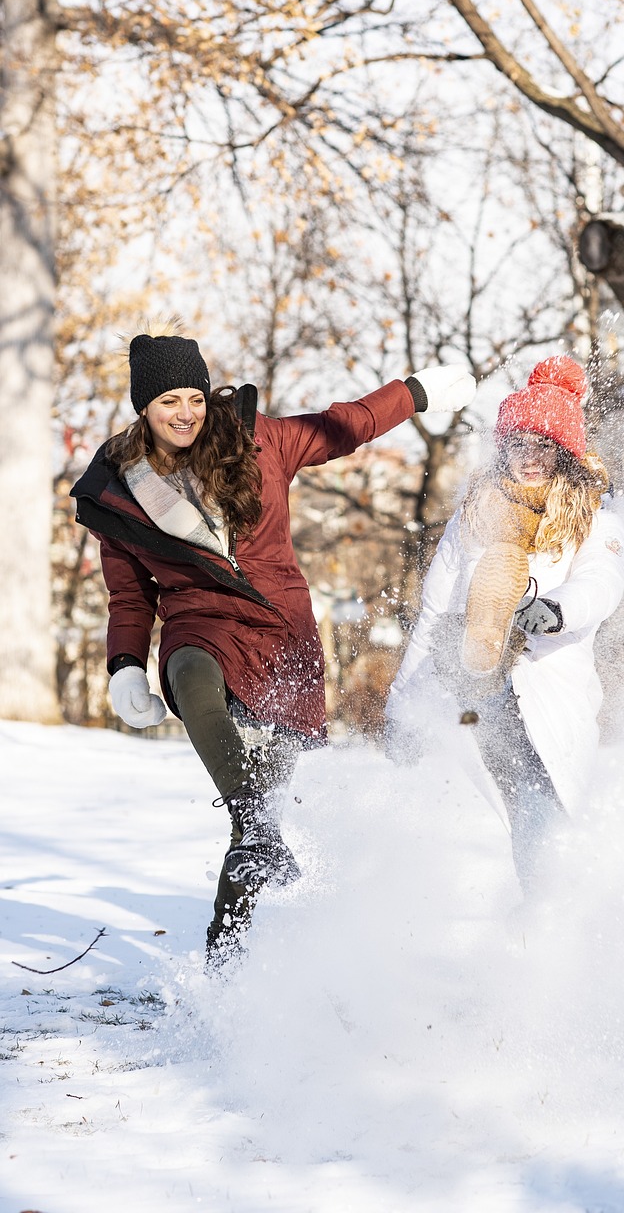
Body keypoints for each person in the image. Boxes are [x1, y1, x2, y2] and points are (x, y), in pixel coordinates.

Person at [70, 320, 476, 963]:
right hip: (199, 621)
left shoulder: (261, 442)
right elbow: (130, 596)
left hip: (282, 633)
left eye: (195, 397)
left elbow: (346, 424)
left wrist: (416, 392)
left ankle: (224, 959)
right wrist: (125, 663)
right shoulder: (119, 492)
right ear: (143, 407)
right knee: (192, 675)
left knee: (260, 817)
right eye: (169, 401)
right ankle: (252, 822)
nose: (185, 413)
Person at [385, 354, 624, 893]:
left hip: (548, 685)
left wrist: (557, 609)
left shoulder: (596, 518)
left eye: (544, 445)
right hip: (476, 696)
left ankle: (552, 914)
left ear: (565, 452)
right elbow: (432, 611)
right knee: (485, 822)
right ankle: (483, 643)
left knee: (541, 810)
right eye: (519, 444)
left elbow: (602, 581)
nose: (530, 458)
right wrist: (403, 707)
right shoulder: (475, 513)